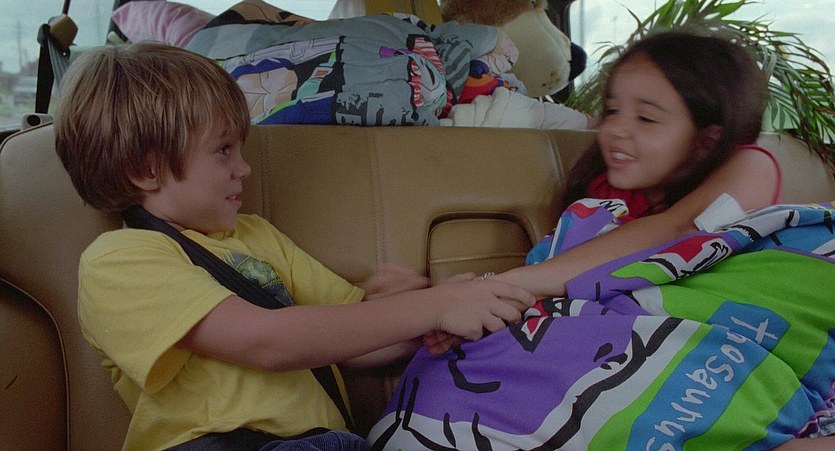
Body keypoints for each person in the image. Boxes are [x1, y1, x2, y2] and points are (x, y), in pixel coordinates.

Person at [53, 42, 535, 451]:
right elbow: (266, 341)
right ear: (145, 169)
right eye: (223, 150)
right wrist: (434, 305)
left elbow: (352, 341)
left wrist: (429, 321)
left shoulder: (255, 236)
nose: (244, 168)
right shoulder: (119, 260)